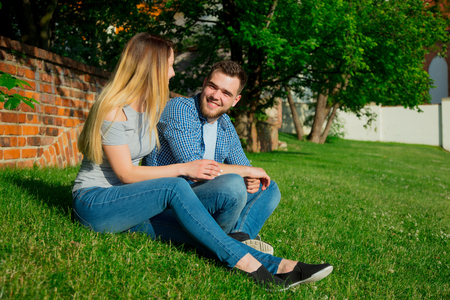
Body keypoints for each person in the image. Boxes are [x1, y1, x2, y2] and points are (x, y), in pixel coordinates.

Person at [72, 32, 333, 291]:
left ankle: (285, 267)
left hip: (133, 206)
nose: (173, 73)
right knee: (177, 186)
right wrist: (185, 168)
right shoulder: (113, 108)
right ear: (151, 68)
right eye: (170, 66)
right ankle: (253, 268)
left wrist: (249, 174)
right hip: (96, 203)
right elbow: (127, 174)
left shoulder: (149, 107)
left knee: (205, 236)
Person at [143, 61, 280, 253]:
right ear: (205, 82)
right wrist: (247, 171)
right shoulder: (180, 109)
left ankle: (237, 238)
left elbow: (244, 167)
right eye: (213, 87)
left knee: (269, 188)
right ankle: (225, 243)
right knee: (232, 186)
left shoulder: (225, 124)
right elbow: (194, 167)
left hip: (201, 197)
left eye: (226, 93)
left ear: (235, 100)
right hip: (170, 201)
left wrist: (252, 179)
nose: (216, 96)